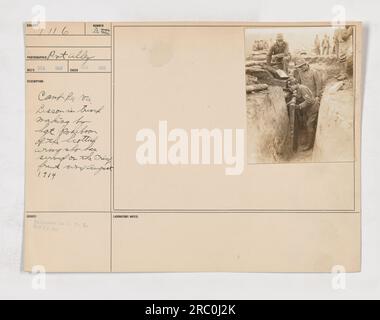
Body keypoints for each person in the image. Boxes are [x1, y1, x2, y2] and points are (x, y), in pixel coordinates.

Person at [287, 77, 320, 151]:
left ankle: (310, 145)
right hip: (308, 109)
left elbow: (309, 101)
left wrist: (299, 106)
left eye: (290, 86)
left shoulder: (302, 88)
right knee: (306, 124)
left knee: (309, 125)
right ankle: (308, 140)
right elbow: (298, 96)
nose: (290, 89)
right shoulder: (298, 89)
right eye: (289, 87)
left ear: (295, 84)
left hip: (313, 108)